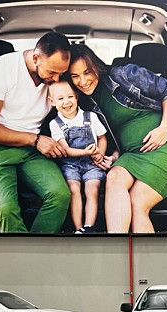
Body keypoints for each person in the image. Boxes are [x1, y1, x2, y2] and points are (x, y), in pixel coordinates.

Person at [67, 44, 167, 234]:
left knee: (137, 203)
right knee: (114, 177)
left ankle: (139, 254)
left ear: (96, 67)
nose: (83, 81)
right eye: (75, 76)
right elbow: (112, 134)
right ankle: (117, 246)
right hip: (133, 153)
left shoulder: (124, 75)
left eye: (87, 72)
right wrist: (114, 155)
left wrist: (164, 127)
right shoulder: (83, 102)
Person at [0, 32, 72, 234]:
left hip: (30, 151)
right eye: (52, 72)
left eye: (61, 73)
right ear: (36, 58)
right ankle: (21, 254)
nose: (56, 79)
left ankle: (36, 250)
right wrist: (36, 140)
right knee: (7, 209)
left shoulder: (55, 78)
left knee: (60, 196)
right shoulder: (3, 68)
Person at [47, 81, 108, 234]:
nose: (66, 102)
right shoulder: (55, 124)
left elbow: (102, 137)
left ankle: (88, 227)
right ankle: (78, 228)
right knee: (74, 189)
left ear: (76, 97)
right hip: (70, 164)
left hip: (92, 163)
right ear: (52, 101)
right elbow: (66, 150)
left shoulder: (90, 116)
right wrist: (87, 152)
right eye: (60, 98)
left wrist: (100, 154)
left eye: (70, 97)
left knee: (92, 189)